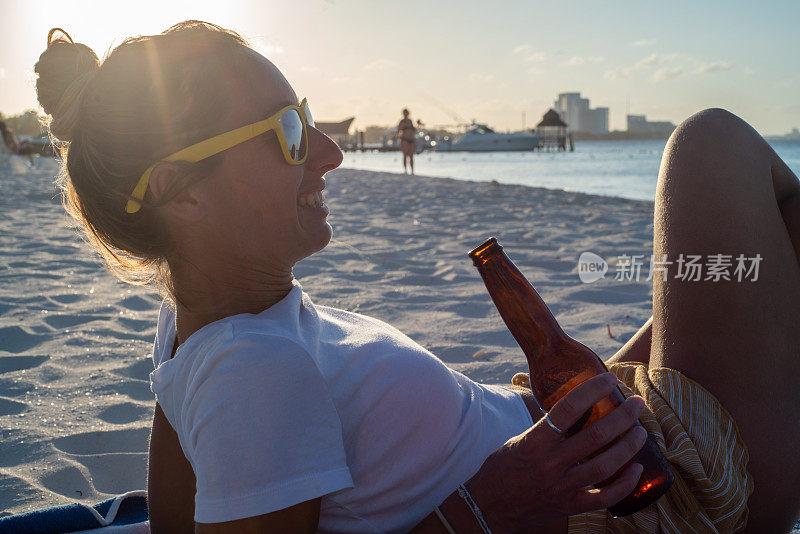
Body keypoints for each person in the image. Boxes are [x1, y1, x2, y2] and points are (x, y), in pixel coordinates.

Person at [33, 20, 800, 534]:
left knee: (746, 226)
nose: (330, 153)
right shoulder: (255, 369)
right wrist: (488, 503)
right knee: (713, 147)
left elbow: (177, 522)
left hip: (604, 433)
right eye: (289, 133)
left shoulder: (194, 326)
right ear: (180, 190)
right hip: (677, 496)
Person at [397, 108, 416, 174]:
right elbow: (399, 130)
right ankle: (405, 170)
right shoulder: (402, 121)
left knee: (411, 156)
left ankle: (412, 171)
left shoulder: (410, 121)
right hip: (405, 140)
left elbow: (413, 130)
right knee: (405, 156)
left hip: (411, 141)